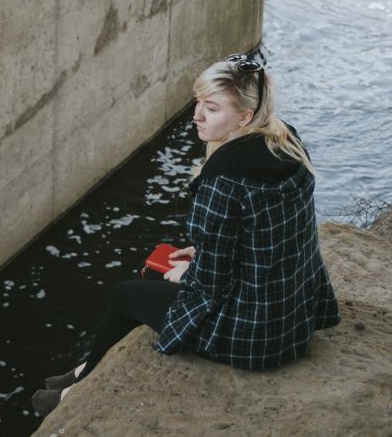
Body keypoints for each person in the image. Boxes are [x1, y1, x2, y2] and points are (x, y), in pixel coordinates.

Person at [31, 50, 339, 416]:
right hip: (295, 316)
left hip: (254, 337)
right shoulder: (287, 142)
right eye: (198, 103)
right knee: (154, 285)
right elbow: (271, 233)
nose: (196, 115)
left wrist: (189, 272)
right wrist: (203, 249)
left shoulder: (223, 181)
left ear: (244, 116)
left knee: (126, 295)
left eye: (211, 108)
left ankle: (74, 392)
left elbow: (211, 285)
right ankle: (82, 370)